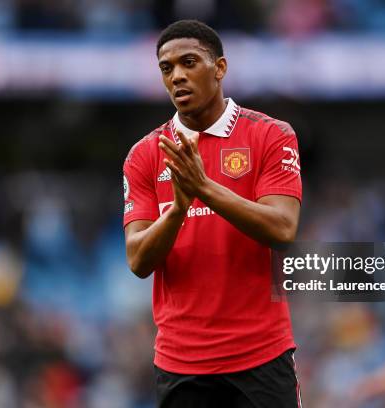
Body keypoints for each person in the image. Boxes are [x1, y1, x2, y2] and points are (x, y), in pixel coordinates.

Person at [123, 19, 303, 408]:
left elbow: (284, 228)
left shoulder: (270, 135)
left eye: (189, 62)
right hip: (181, 364)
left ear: (219, 68)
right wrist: (177, 212)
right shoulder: (145, 154)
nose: (178, 77)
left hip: (262, 356)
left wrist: (204, 188)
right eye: (167, 69)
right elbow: (138, 259)